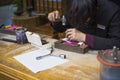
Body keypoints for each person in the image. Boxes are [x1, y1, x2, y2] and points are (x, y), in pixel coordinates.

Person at [48, 0, 120, 50]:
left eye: (85, 18)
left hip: (103, 56)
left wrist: (85, 38)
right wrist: (55, 21)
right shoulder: (74, 6)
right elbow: (62, 26)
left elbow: (117, 43)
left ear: (95, 9)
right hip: (78, 51)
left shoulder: (112, 11)